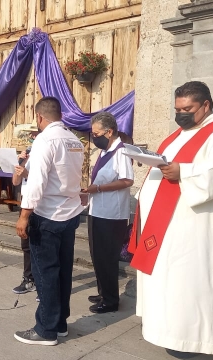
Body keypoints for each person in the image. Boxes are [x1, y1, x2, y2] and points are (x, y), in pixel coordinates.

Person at [130, 81, 213, 358]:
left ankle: (193, 340)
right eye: (177, 109)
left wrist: (184, 171)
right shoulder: (175, 136)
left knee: (189, 284)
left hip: (194, 228)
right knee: (168, 283)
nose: (180, 113)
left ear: (206, 105)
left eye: (187, 108)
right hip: (164, 226)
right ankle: (166, 331)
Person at [14, 97, 84, 346]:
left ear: (40, 117)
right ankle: (60, 323)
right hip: (70, 213)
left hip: (47, 215)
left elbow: (37, 182)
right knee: (63, 271)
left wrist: (24, 215)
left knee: (45, 273)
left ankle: (46, 329)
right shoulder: (74, 140)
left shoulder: (45, 140)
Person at [82, 112, 134, 314]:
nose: (94, 137)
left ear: (109, 131)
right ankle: (103, 292)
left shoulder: (121, 152)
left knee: (107, 257)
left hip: (112, 214)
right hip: (98, 209)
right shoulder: (105, 152)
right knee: (98, 256)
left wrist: (99, 189)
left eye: (97, 133)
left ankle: (111, 301)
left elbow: (127, 180)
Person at [11, 124, 38, 296]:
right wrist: (20, 163)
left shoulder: (44, 154)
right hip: (25, 203)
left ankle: (42, 283)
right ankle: (29, 279)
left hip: (39, 205)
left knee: (39, 245)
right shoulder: (27, 155)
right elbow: (15, 182)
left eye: (34, 135)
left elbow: (45, 181)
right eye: (30, 136)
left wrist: (27, 174)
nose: (31, 138)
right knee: (26, 245)